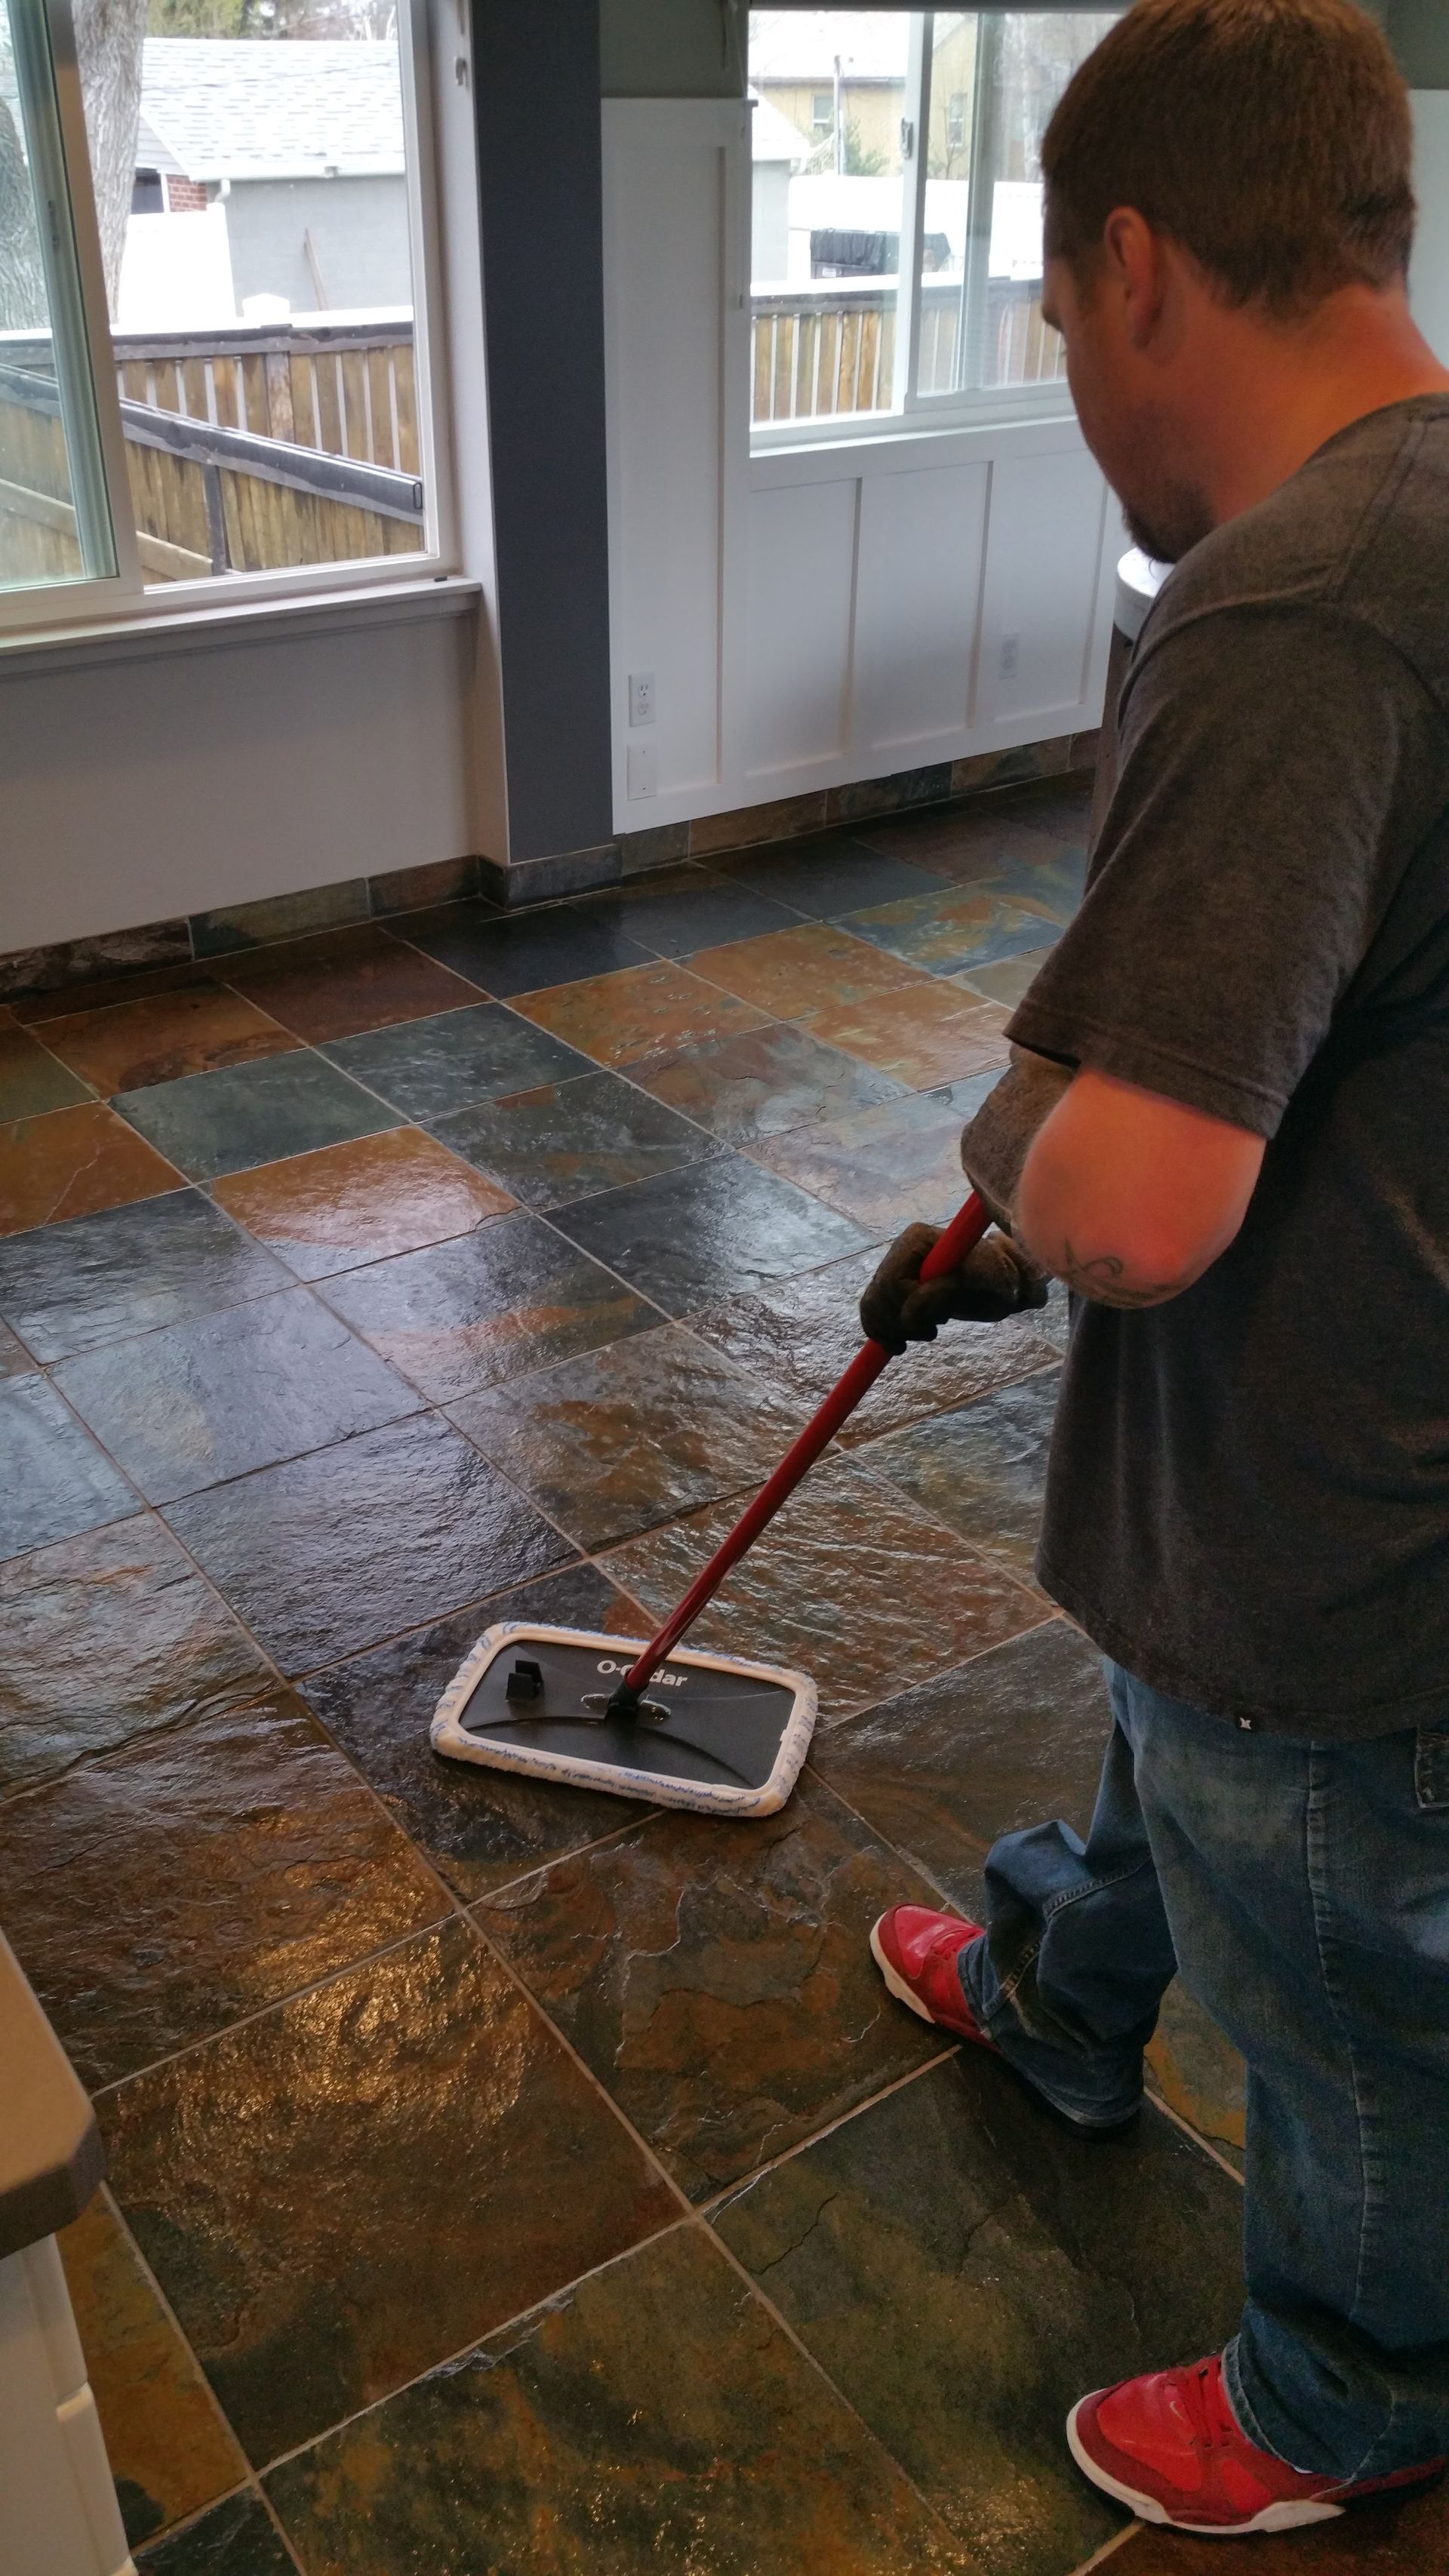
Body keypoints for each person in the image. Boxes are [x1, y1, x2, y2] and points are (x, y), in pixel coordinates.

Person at [860, 0, 1449, 2541]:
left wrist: (1020, 1133)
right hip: (1289, 1439)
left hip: (1333, 1499)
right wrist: (1017, 1243)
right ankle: (1063, 1996)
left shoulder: (1301, 607)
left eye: (1047, 313)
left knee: (1332, 1976)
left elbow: (1138, 1201)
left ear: (1129, 269)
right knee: (1158, 1753)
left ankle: (1350, 2382)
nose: (1068, 371)